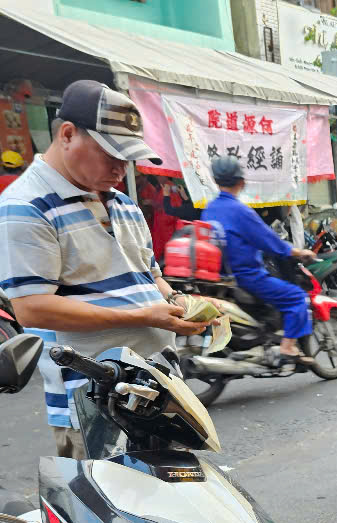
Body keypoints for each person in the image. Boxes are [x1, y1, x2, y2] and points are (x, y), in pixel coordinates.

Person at [0, 80, 207, 457]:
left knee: (175, 505)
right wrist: (145, 315)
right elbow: (33, 308)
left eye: (127, 156)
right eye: (110, 153)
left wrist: (179, 302)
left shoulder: (124, 203)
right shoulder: (26, 206)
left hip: (160, 388)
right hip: (95, 400)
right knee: (111, 511)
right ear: (67, 135)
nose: (120, 167)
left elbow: (151, 275)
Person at [201, 156, 317, 367]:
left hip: (221, 277)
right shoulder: (241, 211)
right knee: (296, 297)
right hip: (247, 276)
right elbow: (268, 240)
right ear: (241, 182)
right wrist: (298, 252)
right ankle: (288, 347)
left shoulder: (210, 209)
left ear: (216, 181)